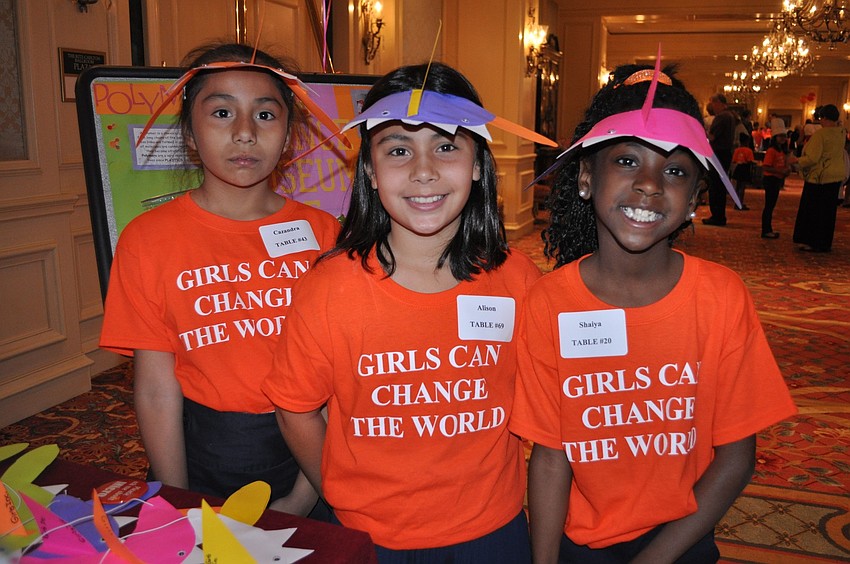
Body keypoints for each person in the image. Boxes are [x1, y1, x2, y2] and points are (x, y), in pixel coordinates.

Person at [510, 60, 797, 563]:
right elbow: (551, 457)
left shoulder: (721, 297)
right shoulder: (548, 302)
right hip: (582, 542)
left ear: (693, 200)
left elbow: (736, 456)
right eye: (626, 161)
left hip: (681, 537)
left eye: (675, 171)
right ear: (584, 177)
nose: (650, 184)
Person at [262, 62, 548, 562]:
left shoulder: (518, 280)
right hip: (368, 533)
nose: (423, 171)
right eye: (398, 149)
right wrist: (339, 493)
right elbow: (296, 407)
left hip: (492, 528)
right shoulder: (329, 288)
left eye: (445, 146)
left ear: (478, 163)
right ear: (370, 171)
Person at [99, 42, 343, 516]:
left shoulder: (324, 234)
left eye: (266, 115)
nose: (246, 133)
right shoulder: (148, 240)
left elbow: (337, 378)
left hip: (313, 455)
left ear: (289, 134)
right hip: (203, 453)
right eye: (222, 113)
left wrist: (305, 494)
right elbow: (154, 387)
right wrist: (178, 498)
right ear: (190, 136)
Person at [793, 104, 848, 252]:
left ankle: (811, 241)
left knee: (813, 210)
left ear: (823, 118)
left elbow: (812, 157)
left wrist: (796, 162)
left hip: (819, 176)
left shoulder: (822, 135)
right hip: (835, 174)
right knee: (828, 211)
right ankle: (824, 242)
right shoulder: (842, 133)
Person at [703, 93, 736, 225]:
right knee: (720, 185)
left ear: (720, 104)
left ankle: (717, 216)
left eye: (714, 104)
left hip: (718, 153)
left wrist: (701, 131)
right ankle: (719, 215)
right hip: (725, 153)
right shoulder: (731, 116)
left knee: (715, 186)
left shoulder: (721, 117)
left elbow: (712, 137)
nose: (713, 107)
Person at [760, 128, 795, 239]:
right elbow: (766, 166)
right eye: (780, 136)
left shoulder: (782, 151)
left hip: (777, 179)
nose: (783, 139)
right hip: (771, 179)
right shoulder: (771, 151)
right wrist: (780, 171)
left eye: (784, 136)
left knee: (771, 205)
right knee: (769, 206)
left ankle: (768, 229)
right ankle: (766, 230)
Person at [730, 132, 755, 210]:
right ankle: (740, 203)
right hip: (745, 168)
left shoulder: (737, 150)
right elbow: (750, 161)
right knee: (742, 187)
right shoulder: (749, 151)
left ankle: (736, 203)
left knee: (737, 187)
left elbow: (734, 160)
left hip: (738, 168)